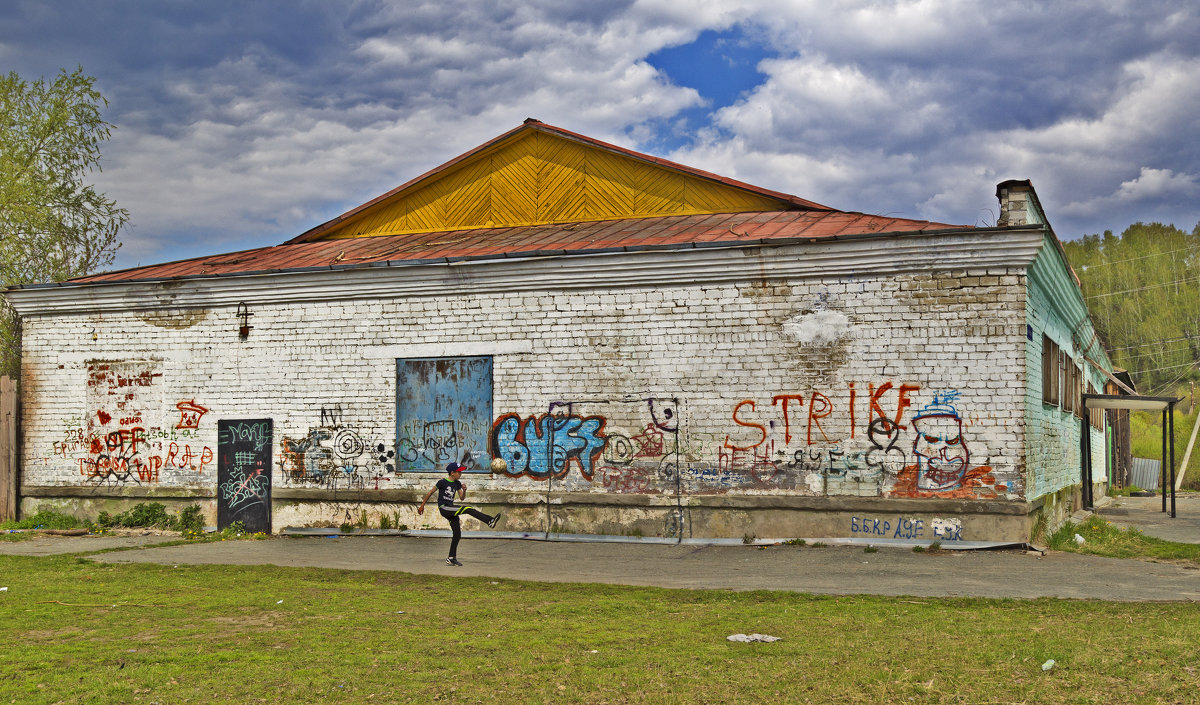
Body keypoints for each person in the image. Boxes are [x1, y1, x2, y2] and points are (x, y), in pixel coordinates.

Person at [417, 462, 502, 566]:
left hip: (451, 509)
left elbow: (462, 498)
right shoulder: (442, 482)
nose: (460, 473)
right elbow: (430, 493)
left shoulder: (457, 483)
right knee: (468, 508)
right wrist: (422, 505)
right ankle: (489, 520)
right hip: (444, 508)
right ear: (452, 473)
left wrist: (464, 490)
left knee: (457, 533)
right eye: (459, 472)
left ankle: (451, 558)